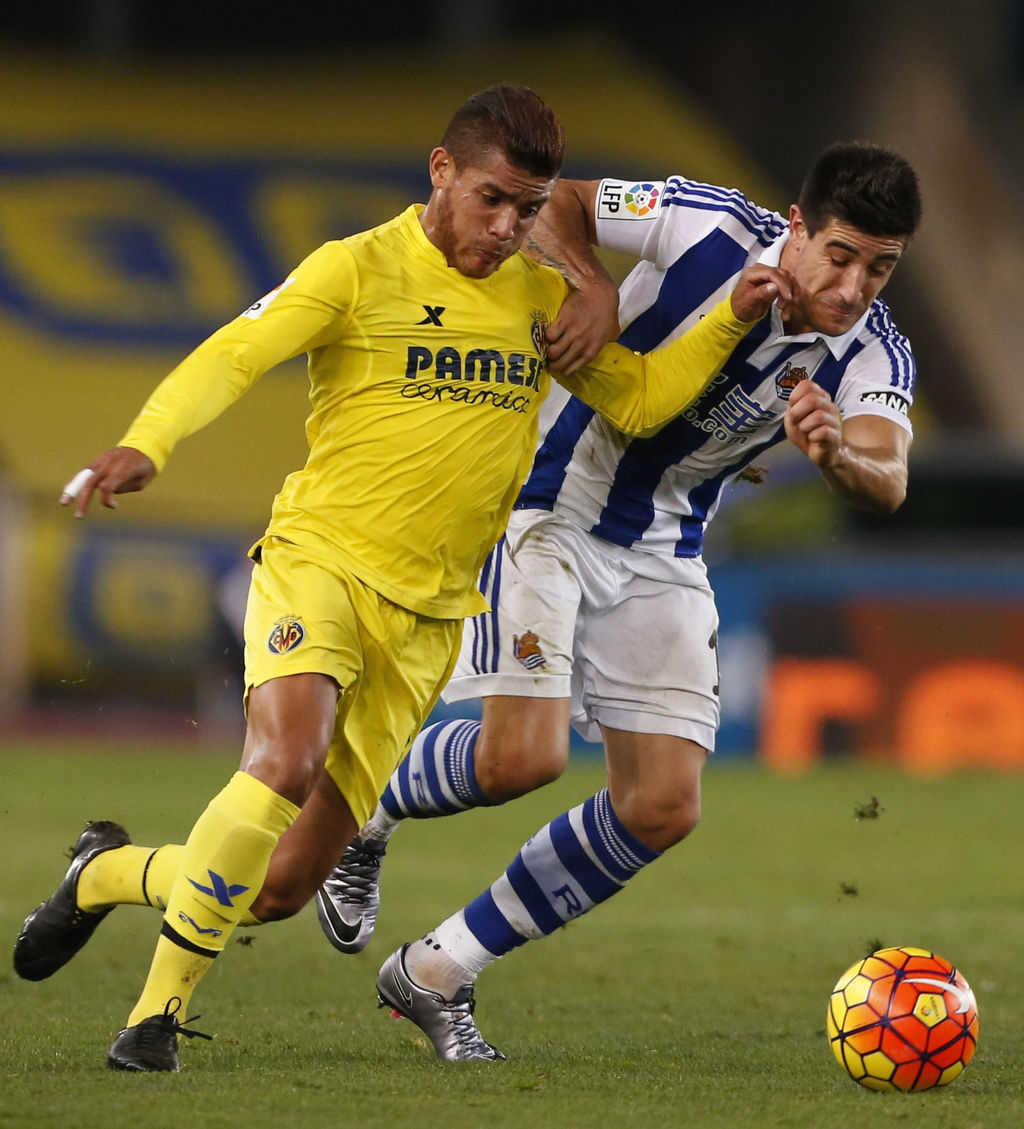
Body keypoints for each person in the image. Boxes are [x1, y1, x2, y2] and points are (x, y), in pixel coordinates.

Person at [13, 84, 785, 1073]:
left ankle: (104, 872)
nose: (510, 228)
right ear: (440, 171)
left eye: (527, 207)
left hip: (428, 620)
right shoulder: (358, 267)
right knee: (284, 760)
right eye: (493, 200)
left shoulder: (536, 296)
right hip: (318, 565)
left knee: (282, 885)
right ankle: (152, 1019)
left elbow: (638, 403)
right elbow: (234, 352)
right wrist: (147, 441)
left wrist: (726, 319)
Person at [316, 142, 922, 1061]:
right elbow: (555, 200)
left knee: (662, 806)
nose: (854, 287)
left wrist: (838, 455)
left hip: (662, 543)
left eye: (880, 267)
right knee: (522, 758)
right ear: (797, 227)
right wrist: (591, 285)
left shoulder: (875, 351)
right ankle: (361, 806)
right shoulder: (705, 222)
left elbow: (890, 477)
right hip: (547, 504)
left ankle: (437, 969)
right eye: (840, 255)